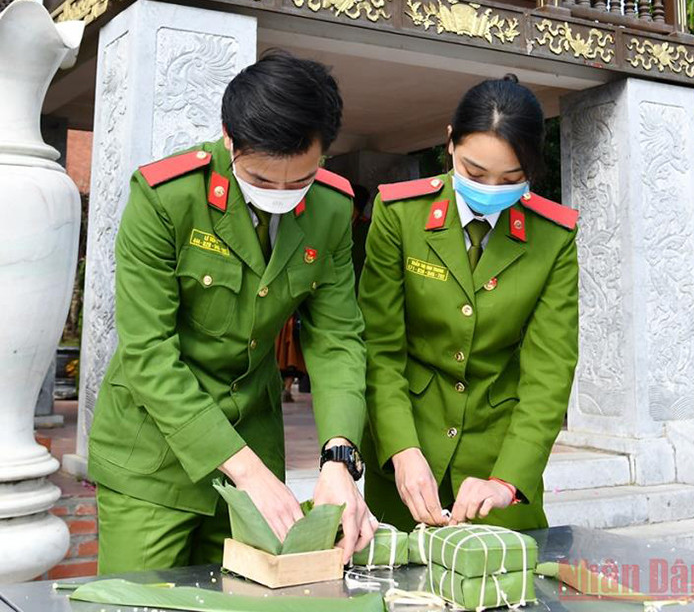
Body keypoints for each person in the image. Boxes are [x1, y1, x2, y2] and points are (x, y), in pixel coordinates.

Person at [89, 50, 376, 571]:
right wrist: (247, 471)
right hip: (152, 454)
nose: (281, 195)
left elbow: (337, 339)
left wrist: (339, 457)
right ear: (229, 137)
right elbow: (148, 352)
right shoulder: (167, 198)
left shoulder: (332, 207)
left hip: (255, 439)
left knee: (248, 595)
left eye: (300, 180)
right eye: (262, 180)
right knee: (141, 600)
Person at [358, 74, 579, 532]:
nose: (490, 189)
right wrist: (401, 448)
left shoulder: (552, 237)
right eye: (475, 174)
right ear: (450, 142)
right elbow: (380, 348)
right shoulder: (400, 216)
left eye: (511, 179)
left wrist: (508, 480)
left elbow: (549, 371)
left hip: (497, 461)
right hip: (406, 456)